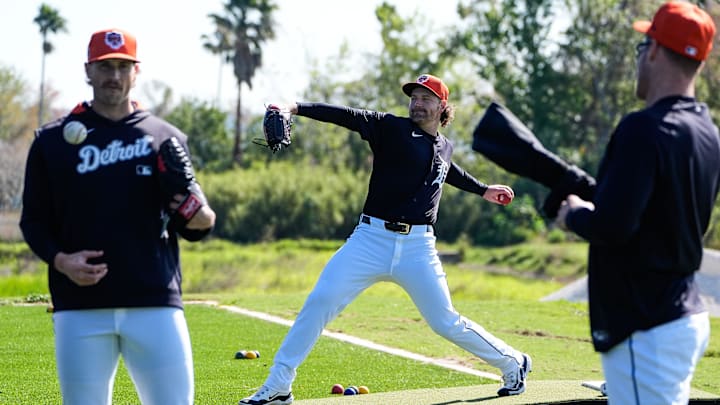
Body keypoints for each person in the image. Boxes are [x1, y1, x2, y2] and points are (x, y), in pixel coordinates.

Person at [239, 74, 531, 405]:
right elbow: (344, 115)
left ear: (442, 107)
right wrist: (292, 107)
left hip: (418, 249)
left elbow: (447, 170)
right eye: (414, 97)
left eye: (426, 98)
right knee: (320, 301)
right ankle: (279, 383)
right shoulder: (390, 128)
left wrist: (483, 190)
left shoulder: (444, 147)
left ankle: (513, 363)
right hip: (369, 240)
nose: (417, 103)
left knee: (445, 322)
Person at [20, 28, 216, 405]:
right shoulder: (52, 141)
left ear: (136, 72)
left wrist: (203, 217)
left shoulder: (164, 136)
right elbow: (33, 222)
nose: (113, 75)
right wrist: (62, 261)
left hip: (154, 301)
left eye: (122, 66)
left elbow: (192, 221)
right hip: (80, 306)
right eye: (105, 66)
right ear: (88, 70)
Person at [556, 2, 718, 404]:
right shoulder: (708, 132)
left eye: (643, 46)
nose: (640, 57)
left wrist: (573, 213)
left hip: (647, 326)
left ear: (657, 51)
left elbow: (613, 226)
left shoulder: (643, 128)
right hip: (683, 315)